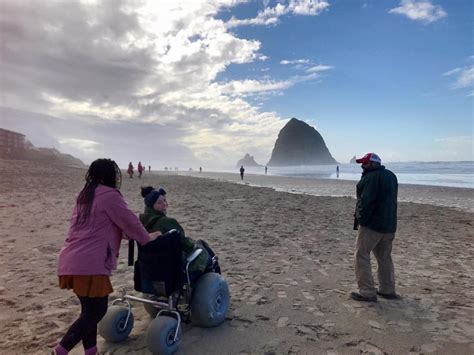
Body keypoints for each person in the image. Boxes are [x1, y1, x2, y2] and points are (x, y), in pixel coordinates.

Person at [53, 159, 160, 355]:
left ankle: (91, 352)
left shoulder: (84, 195)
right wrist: (147, 238)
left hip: (71, 259)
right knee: (97, 311)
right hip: (90, 263)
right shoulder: (109, 196)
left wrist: (124, 233)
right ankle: (60, 351)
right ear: (110, 176)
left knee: (88, 312)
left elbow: (103, 225)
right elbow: (130, 222)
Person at [350, 153, 399, 302]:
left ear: (373, 164)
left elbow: (365, 203)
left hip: (372, 225)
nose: (362, 166)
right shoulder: (391, 176)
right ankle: (387, 289)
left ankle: (367, 292)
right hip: (389, 224)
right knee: (384, 257)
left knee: (361, 255)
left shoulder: (370, 178)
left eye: (365, 163)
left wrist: (361, 220)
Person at [139, 186, 209, 278]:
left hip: (150, 266)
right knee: (204, 251)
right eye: (159, 202)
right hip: (173, 267)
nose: (165, 204)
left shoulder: (141, 223)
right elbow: (184, 243)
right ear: (151, 206)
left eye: (164, 200)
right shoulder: (167, 222)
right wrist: (194, 244)